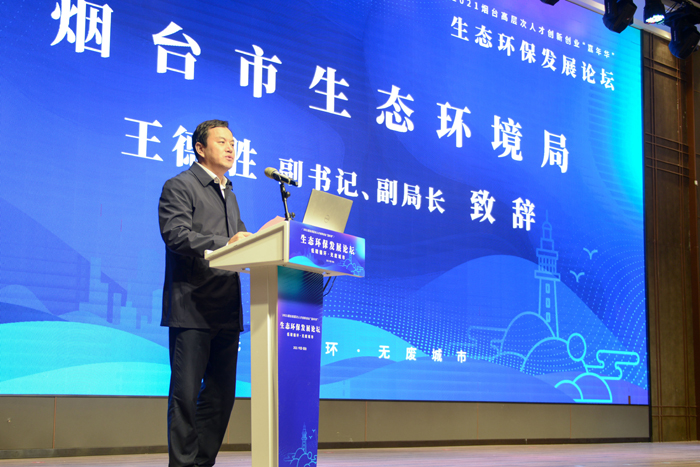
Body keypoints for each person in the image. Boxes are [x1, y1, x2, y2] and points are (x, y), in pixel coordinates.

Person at [158, 119, 252, 467]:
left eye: (233, 143)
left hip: (227, 308)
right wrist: (225, 243)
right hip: (192, 306)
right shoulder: (180, 186)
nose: (231, 148)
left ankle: (202, 463)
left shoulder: (230, 194)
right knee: (185, 396)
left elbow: (241, 243)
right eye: (222, 141)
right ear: (200, 148)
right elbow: (175, 234)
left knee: (221, 397)